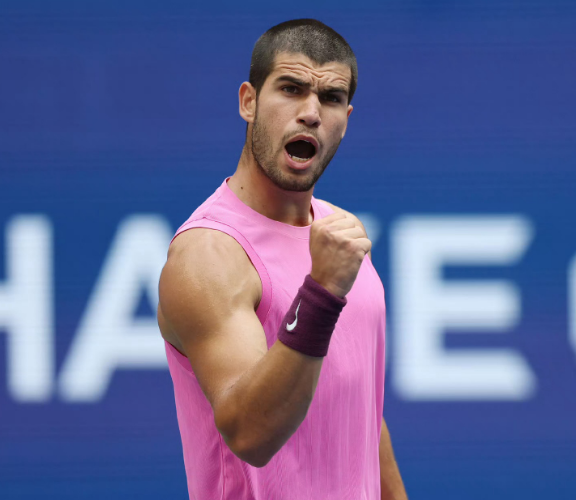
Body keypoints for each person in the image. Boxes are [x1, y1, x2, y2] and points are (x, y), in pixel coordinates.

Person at [157, 18, 408, 500]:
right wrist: (322, 292)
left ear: (346, 119)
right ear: (248, 101)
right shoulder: (209, 255)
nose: (311, 113)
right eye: (291, 89)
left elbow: (358, 411)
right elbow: (251, 433)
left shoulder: (338, 234)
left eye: (330, 98)